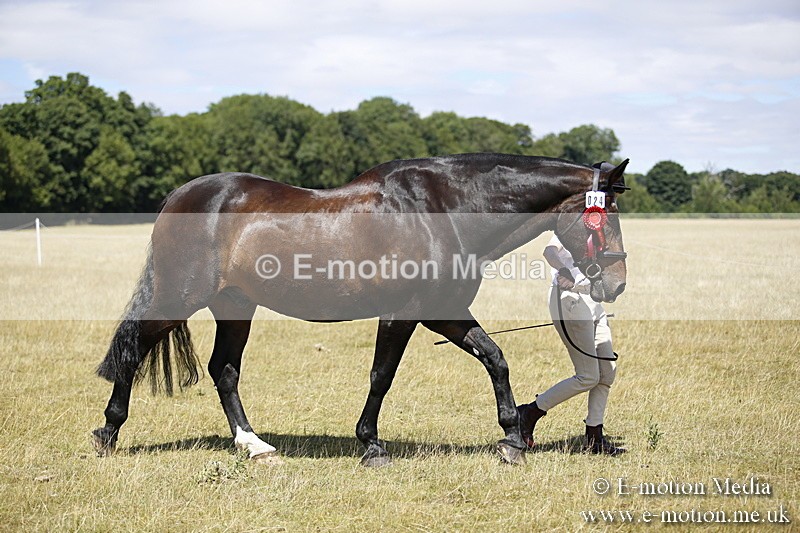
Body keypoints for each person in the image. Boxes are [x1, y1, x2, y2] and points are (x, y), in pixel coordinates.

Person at [516, 234, 625, 455]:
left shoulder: (604, 227)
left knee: (606, 373)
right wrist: (572, 273)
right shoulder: (576, 220)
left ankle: (594, 437)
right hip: (571, 301)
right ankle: (529, 413)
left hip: (593, 303)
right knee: (588, 376)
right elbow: (549, 251)